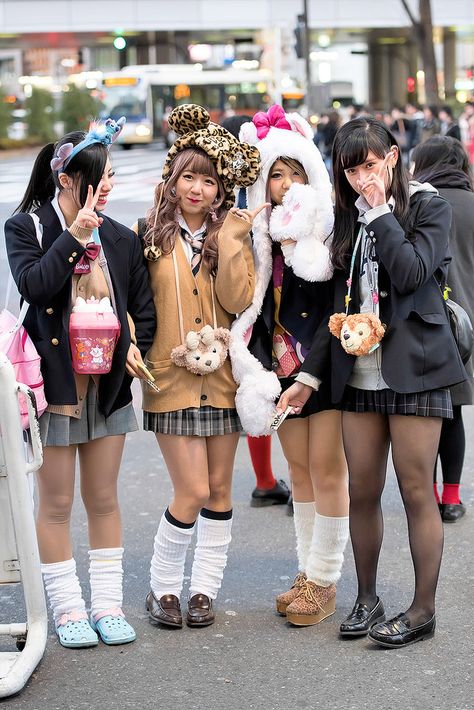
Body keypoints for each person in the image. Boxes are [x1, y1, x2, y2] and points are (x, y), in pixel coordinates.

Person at [279, 116, 466, 647]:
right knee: (363, 489)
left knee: (415, 491)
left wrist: (381, 211)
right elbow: (332, 308)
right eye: (352, 169)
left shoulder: (427, 206)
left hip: (416, 370)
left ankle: (422, 609)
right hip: (358, 372)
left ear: (391, 156)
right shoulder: (344, 221)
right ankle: (366, 598)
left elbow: (411, 273)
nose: (363, 177)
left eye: (370, 163)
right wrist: (309, 377)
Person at [5, 120, 156, 649]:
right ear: (67, 180)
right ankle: (68, 610)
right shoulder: (28, 227)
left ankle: (107, 606)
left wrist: (137, 344)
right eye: (98, 175)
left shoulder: (121, 237)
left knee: (104, 498)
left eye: (112, 174)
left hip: (107, 386)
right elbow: (35, 284)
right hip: (54, 388)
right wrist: (75, 236)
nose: (108, 185)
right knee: (55, 504)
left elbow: (142, 308)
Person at [137, 104, 263, 629]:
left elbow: (239, 298)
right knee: (189, 490)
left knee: (217, 490)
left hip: (224, 382)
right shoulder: (147, 235)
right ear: (173, 178)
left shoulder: (229, 234)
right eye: (188, 176)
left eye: (208, 180)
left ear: (220, 187)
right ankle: (163, 587)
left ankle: (204, 590)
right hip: (169, 380)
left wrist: (233, 239)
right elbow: (136, 305)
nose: (197, 189)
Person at [231, 105, 349, 627]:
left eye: (292, 174)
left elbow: (337, 313)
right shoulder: (264, 241)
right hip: (278, 371)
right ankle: (307, 573)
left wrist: (310, 374)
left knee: (328, 472)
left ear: (310, 176)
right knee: (299, 473)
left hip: (320, 372)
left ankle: (325, 579)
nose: (282, 185)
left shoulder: (327, 234)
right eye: (273, 175)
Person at [221, 113, 290, 509]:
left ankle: (265, 480)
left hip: (240, 310)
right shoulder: (260, 189)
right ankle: (292, 479)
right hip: (269, 303)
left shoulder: (221, 193)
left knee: (255, 390)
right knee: (282, 388)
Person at [412, 135, 474, 522]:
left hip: (431, 320)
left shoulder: (420, 204)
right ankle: (451, 497)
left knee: (428, 414)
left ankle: (428, 493)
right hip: (469, 323)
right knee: (455, 413)